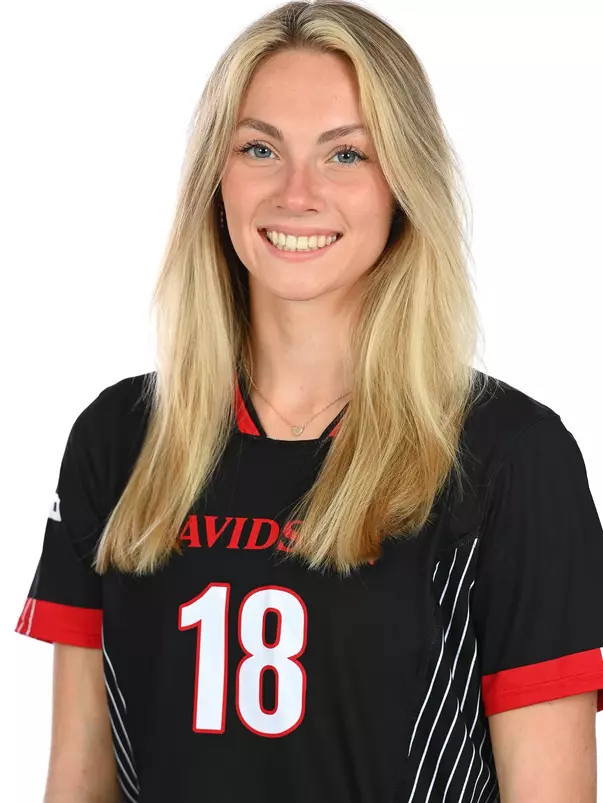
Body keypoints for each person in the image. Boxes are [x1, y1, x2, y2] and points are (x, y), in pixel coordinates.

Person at [14, 2, 603, 801]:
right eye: (259, 148)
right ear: (213, 179)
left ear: (403, 181)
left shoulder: (508, 456)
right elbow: (77, 783)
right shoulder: (118, 441)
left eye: (345, 156)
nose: (296, 193)